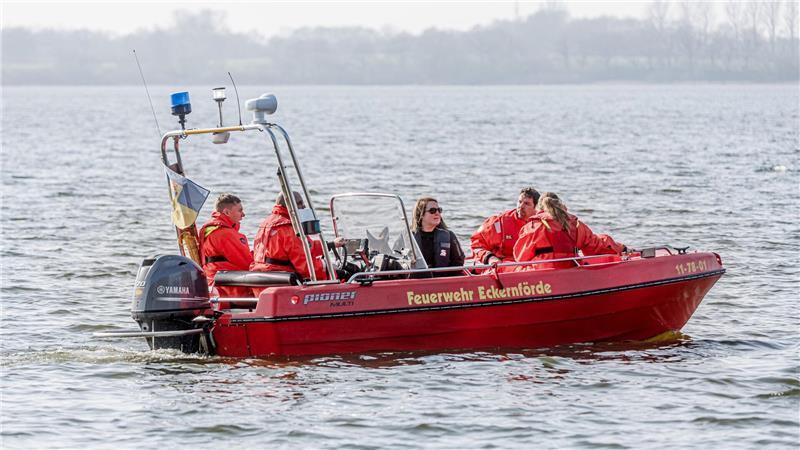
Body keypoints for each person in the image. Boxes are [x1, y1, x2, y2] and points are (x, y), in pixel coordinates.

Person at [513, 192, 626, 270]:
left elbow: (520, 257)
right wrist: (621, 248)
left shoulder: (533, 227)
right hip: (570, 271)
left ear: (539, 208)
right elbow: (596, 245)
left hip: (542, 277)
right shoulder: (574, 224)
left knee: (510, 267)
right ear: (560, 206)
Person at [250, 191, 328, 288]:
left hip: (261, 280)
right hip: (284, 281)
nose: (303, 207)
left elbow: (304, 247)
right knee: (339, 272)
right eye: (299, 203)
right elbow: (305, 267)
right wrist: (326, 268)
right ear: (289, 205)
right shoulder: (289, 228)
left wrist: (329, 245)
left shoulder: (266, 224)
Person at [197, 193, 254, 297]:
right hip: (230, 288)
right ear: (227, 212)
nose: (243, 214)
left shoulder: (209, 230)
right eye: (240, 210)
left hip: (212, 282)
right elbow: (247, 264)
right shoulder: (226, 234)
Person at [470, 187, 540, 264]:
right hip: (503, 265)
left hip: (532, 265)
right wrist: (490, 258)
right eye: (519, 202)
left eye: (526, 203)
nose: (521, 206)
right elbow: (476, 244)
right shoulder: (500, 222)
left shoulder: (543, 223)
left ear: (536, 207)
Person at [411, 197, 465, 276]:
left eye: (439, 210)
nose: (437, 213)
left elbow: (458, 262)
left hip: (442, 282)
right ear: (421, 214)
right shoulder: (409, 236)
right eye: (432, 211)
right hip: (415, 283)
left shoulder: (449, 236)